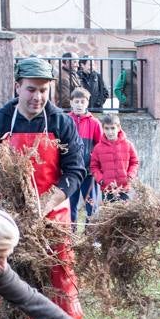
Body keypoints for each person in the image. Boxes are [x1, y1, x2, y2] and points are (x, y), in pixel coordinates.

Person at [0, 57, 86, 319]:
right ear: (17, 86)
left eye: (44, 90)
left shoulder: (61, 123)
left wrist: (44, 204)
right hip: (12, 218)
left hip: (53, 216)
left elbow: (75, 171)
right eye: (32, 89)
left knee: (58, 278)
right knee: (18, 277)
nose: (38, 97)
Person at [66, 87, 103, 230]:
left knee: (91, 205)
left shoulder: (94, 123)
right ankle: (71, 234)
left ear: (87, 103)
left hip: (88, 173)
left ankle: (90, 236)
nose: (79, 105)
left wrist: (96, 165)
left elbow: (101, 146)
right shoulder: (66, 120)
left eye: (82, 101)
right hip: (71, 172)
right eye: (76, 101)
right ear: (71, 103)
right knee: (71, 205)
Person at [90, 113, 139, 202]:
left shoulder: (128, 145)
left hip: (124, 189)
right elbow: (94, 166)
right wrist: (101, 180)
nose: (110, 132)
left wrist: (130, 176)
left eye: (113, 128)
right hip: (107, 190)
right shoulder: (98, 148)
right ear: (103, 129)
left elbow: (134, 162)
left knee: (125, 215)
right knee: (109, 215)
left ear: (119, 128)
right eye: (107, 128)